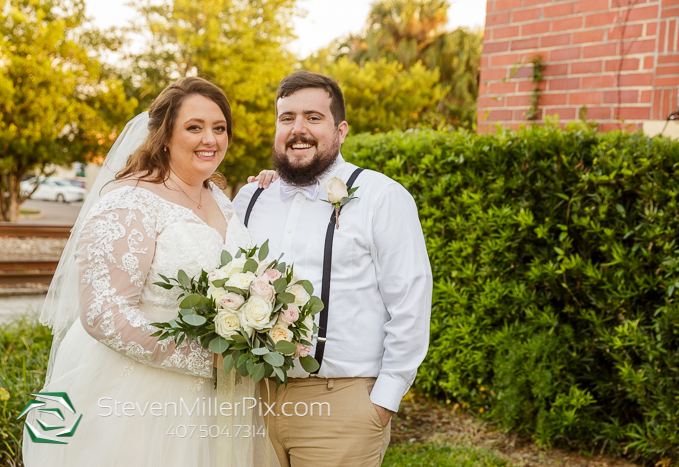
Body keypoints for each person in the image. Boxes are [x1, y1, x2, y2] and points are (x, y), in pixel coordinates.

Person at [22, 77, 279, 467]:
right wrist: (206, 358)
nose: (210, 139)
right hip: (140, 401)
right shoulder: (130, 200)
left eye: (219, 128)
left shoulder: (220, 199)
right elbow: (102, 313)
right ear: (164, 136)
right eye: (194, 127)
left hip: (224, 396)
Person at [233, 71, 433, 466]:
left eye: (313, 117)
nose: (298, 129)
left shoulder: (381, 196)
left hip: (340, 405)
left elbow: (410, 300)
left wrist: (384, 400)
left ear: (340, 130)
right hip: (251, 401)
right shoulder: (250, 198)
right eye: (286, 118)